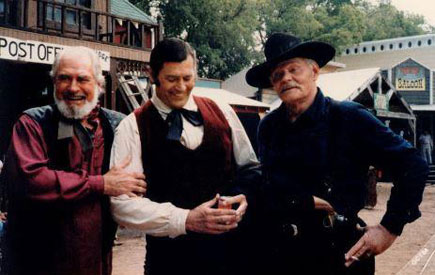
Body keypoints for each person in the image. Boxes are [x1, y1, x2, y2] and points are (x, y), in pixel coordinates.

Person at [246, 33, 428, 275]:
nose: (286, 78)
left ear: (314, 72)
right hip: (281, 255)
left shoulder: (349, 117)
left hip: (338, 255)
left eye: (293, 69)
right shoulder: (268, 127)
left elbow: (413, 164)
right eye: (278, 74)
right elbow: (267, 185)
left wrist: (389, 228)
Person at [110, 38, 260, 275]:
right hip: (169, 263)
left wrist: (243, 197)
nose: (180, 86)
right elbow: (122, 205)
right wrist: (186, 219)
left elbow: (251, 170)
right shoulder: (132, 127)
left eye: (187, 78)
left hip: (230, 258)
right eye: (171, 79)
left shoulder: (222, 111)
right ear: (152, 74)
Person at [2, 46, 146, 275]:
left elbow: (138, 178)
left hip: (94, 261)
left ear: (99, 85)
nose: (73, 87)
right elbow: (32, 181)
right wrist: (102, 184)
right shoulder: (32, 123)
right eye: (64, 78)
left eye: (83, 79)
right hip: (34, 263)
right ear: (54, 83)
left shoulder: (116, 126)